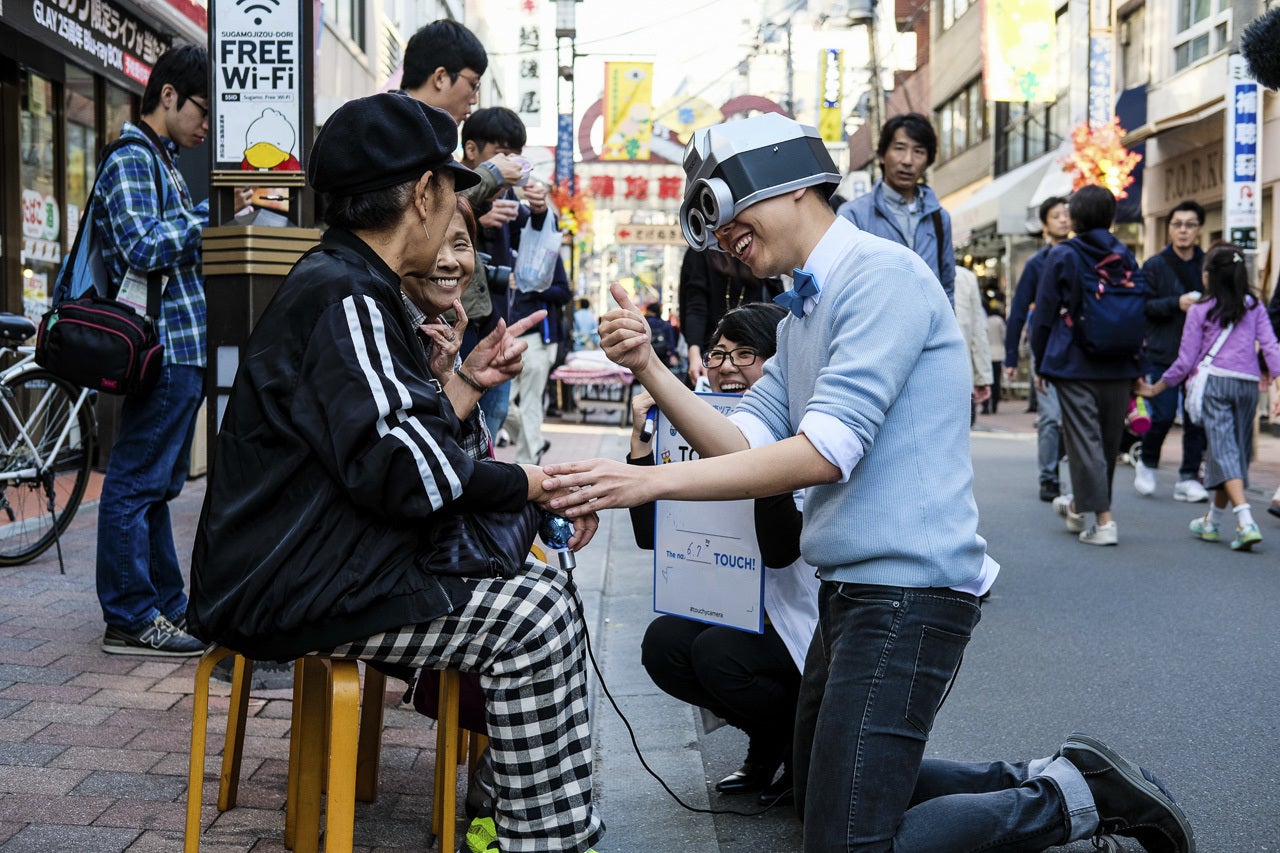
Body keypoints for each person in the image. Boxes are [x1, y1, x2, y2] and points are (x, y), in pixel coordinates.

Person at [541, 113, 1192, 853]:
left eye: (726, 208)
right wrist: (649, 369)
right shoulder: (801, 315)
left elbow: (825, 452)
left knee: (847, 842)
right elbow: (742, 440)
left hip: (909, 591)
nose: (724, 235)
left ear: (788, 185)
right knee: (826, 801)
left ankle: (1072, 801)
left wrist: (646, 485)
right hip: (851, 590)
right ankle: (1069, 779)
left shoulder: (880, 277)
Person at [188, 92, 604, 853]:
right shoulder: (345, 295)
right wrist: (536, 485)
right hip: (293, 579)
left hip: (327, 556)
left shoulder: (352, 287)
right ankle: (546, 839)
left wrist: (472, 399)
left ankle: (538, 825)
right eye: (449, 195)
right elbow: (411, 473)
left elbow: (406, 451)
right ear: (423, 193)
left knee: (537, 594)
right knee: (534, 616)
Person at [627, 301, 817, 809]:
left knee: (718, 652)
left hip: (800, 617)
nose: (727, 366)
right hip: (733, 605)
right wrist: (642, 443)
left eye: (745, 354)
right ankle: (769, 736)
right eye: (717, 354)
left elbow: (780, 551)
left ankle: (800, 744)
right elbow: (652, 536)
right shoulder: (691, 425)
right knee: (664, 644)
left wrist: (757, 458)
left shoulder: (804, 432)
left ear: (778, 365)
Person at [94, 45, 247, 656]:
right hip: (160, 346)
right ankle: (130, 616)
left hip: (178, 348)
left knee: (155, 485)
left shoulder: (160, 160)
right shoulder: (133, 158)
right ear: (167, 96)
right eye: (202, 110)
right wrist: (212, 218)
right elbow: (140, 245)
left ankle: (165, 604)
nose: (205, 125)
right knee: (135, 483)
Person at [1137, 243, 1280, 552]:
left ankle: (1245, 521)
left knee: (1225, 452)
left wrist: (1156, 388)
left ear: (1210, 276)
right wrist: (1279, 385)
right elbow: (1271, 346)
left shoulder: (1200, 310)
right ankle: (1212, 521)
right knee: (1231, 453)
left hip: (1215, 384)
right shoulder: (1254, 306)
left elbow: (1185, 361)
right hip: (1248, 386)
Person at [1030, 186, 1144, 547]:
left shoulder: (1063, 254)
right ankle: (1079, 507)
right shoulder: (1124, 253)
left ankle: (1104, 522)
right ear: (1111, 217)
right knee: (1107, 444)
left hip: (1074, 362)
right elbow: (1140, 309)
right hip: (1120, 363)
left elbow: (1044, 313)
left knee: (1084, 442)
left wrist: (1041, 361)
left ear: (1075, 218)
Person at [459, 107, 552, 440]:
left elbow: (526, 241)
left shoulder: (507, 193)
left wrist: (539, 212)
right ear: (472, 150)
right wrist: (474, 218)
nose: (511, 165)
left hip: (497, 320)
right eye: (502, 155)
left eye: (516, 156)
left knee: (494, 413)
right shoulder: (453, 186)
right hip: (460, 322)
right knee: (462, 412)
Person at [1134, 201, 1210, 503]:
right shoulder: (1154, 265)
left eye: (1190, 224)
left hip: (1201, 356)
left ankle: (1188, 477)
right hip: (1163, 352)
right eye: (1177, 224)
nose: (1183, 230)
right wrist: (1175, 303)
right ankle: (1147, 460)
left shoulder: (1208, 264)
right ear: (1169, 228)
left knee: (1196, 419)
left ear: (1199, 228)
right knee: (1163, 415)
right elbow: (1142, 306)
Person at [836, 112, 955, 304]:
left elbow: (946, 288)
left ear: (928, 161)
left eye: (919, 151)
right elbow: (841, 285)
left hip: (927, 323)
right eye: (899, 148)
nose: (907, 160)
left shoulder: (939, 219)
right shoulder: (853, 215)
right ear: (882, 155)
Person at [1005, 196, 1070, 501]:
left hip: (1079, 349)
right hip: (1045, 347)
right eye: (1056, 216)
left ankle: (1075, 476)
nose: (1063, 219)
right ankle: (1049, 478)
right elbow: (1018, 311)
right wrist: (1010, 357)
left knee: (1073, 419)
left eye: (1066, 214)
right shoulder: (1036, 264)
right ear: (1045, 224)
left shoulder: (1081, 257)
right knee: (1050, 416)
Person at [678, 247, 783, 386]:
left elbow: (777, 308)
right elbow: (695, 307)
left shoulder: (758, 252)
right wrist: (694, 354)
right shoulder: (701, 251)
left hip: (752, 358)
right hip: (711, 357)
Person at [954, 266, 993, 424]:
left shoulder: (906, 265)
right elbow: (978, 332)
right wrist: (982, 377)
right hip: (960, 377)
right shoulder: (965, 278)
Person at [983, 301, 1006, 414]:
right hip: (998, 354)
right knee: (996, 382)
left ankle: (985, 406)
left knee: (986, 381)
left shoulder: (985, 321)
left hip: (987, 354)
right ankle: (995, 404)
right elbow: (1004, 336)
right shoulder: (999, 321)